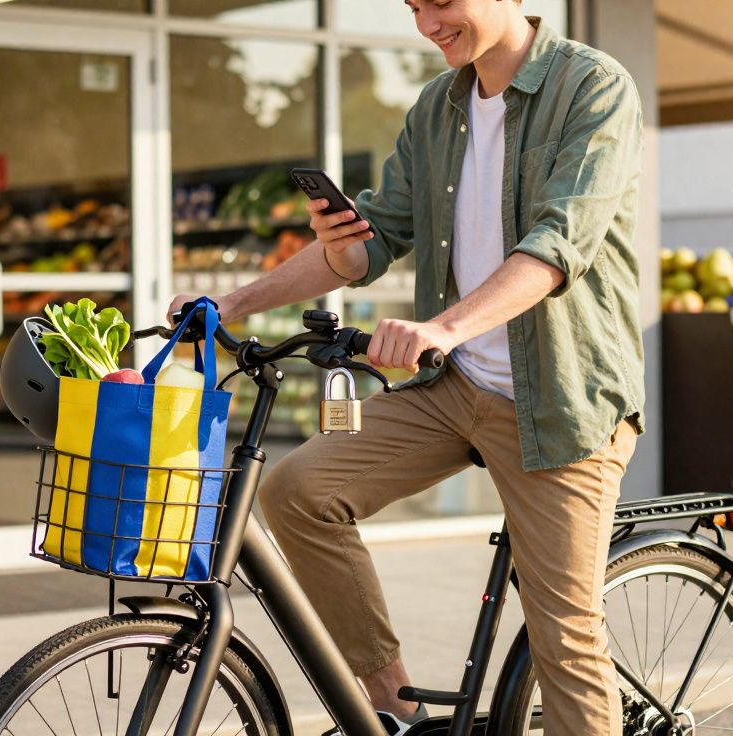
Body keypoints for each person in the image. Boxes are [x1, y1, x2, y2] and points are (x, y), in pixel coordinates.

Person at [169, 1, 645, 733]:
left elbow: (558, 246)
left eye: (441, 3)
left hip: (560, 399)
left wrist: (442, 326)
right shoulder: (437, 107)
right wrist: (235, 299)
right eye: (414, 7)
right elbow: (372, 244)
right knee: (299, 492)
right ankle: (394, 709)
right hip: (453, 389)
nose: (427, 24)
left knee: (566, 637)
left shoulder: (593, 87)